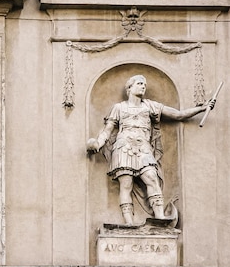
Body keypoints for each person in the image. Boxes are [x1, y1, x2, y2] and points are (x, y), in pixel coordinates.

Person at [87, 75, 214, 226]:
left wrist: (201, 108)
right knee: (126, 184)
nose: (143, 87)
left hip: (143, 147)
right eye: (139, 83)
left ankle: (159, 218)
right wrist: (97, 143)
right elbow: (107, 131)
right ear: (130, 88)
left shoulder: (150, 106)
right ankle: (129, 222)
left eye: (144, 84)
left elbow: (178, 115)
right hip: (123, 147)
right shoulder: (119, 107)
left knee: (152, 177)